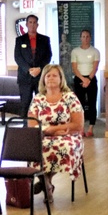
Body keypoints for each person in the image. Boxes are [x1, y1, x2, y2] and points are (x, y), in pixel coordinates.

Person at [28, 64, 84, 201]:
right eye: (48, 75)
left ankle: (45, 181)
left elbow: (78, 125)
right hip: (44, 135)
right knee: (34, 147)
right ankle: (47, 184)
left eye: (55, 75)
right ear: (43, 79)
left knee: (64, 147)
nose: (51, 78)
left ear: (61, 79)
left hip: (68, 135)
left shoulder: (70, 97)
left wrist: (54, 129)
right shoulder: (38, 99)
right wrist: (52, 132)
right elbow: (32, 124)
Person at [14, 14, 53, 117]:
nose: (32, 24)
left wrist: (39, 69)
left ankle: (41, 126)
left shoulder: (45, 39)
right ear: (26, 24)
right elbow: (17, 57)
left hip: (40, 77)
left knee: (41, 103)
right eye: (30, 22)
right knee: (25, 103)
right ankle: (25, 128)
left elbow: (48, 56)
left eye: (34, 22)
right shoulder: (20, 40)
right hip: (25, 77)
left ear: (37, 24)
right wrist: (29, 69)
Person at [71, 30, 100, 138]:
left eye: (87, 36)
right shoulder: (75, 51)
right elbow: (74, 68)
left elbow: (95, 67)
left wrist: (88, 79)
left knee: (92, 103)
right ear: (80, 38)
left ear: (90, 38)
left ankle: (91, 128)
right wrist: (83, 79)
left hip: (91, 79)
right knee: (80, 104)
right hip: (79, 79)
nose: (85, 38)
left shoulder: (95, 51)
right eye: (83, 36)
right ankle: (81, 128)